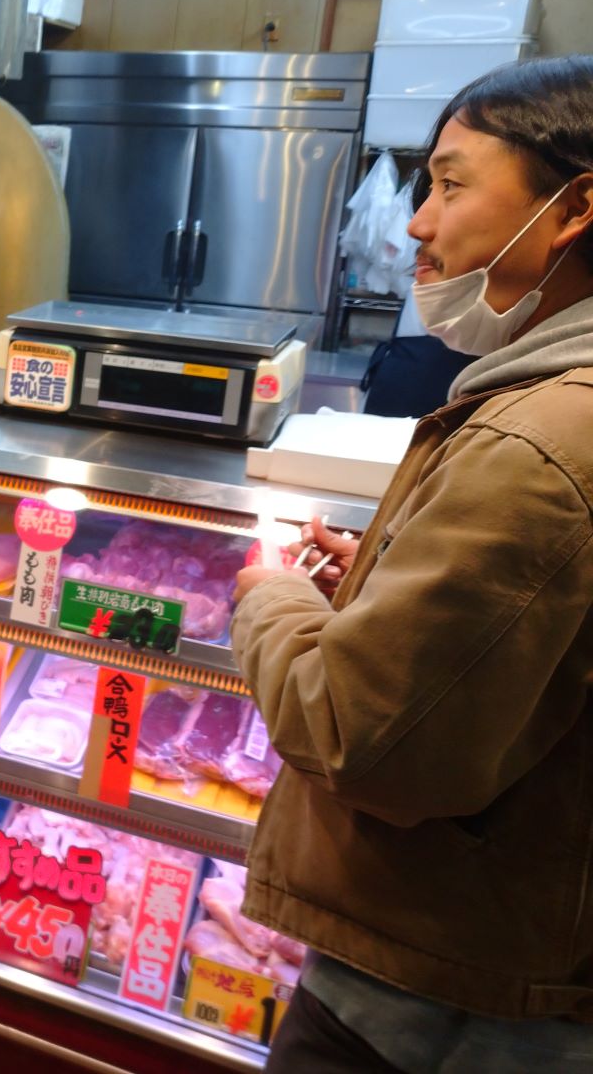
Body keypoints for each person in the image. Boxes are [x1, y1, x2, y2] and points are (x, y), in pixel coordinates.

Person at [231, 55, 593, 1072]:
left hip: (438, 1008)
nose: (415, 226)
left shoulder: (539, 441)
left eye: (450, 183)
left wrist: (274, 599)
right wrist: (388, 577)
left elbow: (361, 738)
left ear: (575, 210)